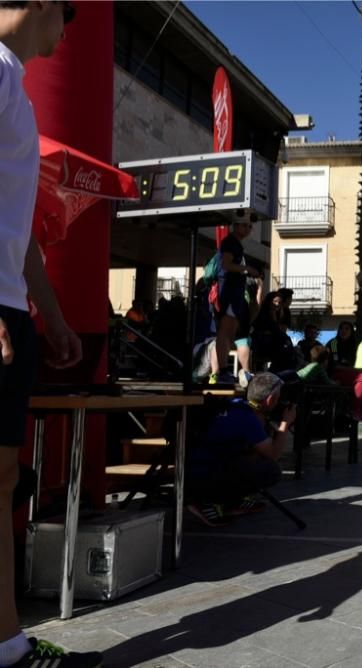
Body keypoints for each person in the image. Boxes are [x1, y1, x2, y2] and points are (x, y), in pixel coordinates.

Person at [0, 4, 103, 667]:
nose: (66, 30)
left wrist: (53, 317)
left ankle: (7, 644)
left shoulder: (9, 79)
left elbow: (19, 233)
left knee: (2, 478)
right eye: (67, 13)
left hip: (11, 309)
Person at [186, 373, 295, 527]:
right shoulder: (247, 418)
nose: (280, 402)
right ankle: (207, 501)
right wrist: (285, 423)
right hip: (203, 474)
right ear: (270, 400)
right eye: (278, 399)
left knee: (250, 458)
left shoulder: (236, 405)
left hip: (194, 465)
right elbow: (273, 454)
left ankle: (231, 500)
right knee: (271, 470)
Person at [213, 221, 259, 385]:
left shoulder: (235, 244)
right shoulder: (230, 242)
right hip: (229, 293)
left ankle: (224, 371)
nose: (247, 229)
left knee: (229, 334)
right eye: (243, 225)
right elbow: (226, 265)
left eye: (249, 226)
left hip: (234, 294)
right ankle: (222, 371)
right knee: (225, 333)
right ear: (235, 226)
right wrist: (247, 269)